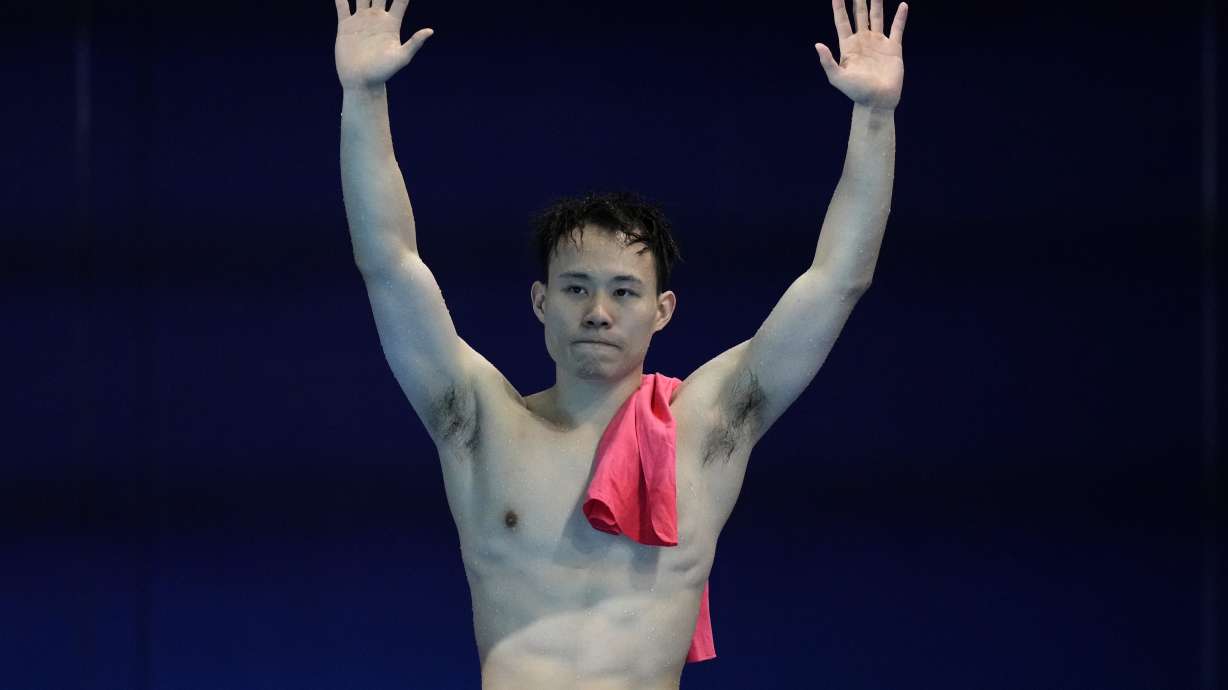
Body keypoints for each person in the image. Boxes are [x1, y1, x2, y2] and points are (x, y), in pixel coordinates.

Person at [335, 0, 907, 686]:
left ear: (663, 310)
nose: (599, 312)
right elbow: (390, 263)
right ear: (541, 303)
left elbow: (838, 279)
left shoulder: (712, 427)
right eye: (575, 289)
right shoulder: (476, 422)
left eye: (624, 292)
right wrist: (364, 95)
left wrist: (874, 116)